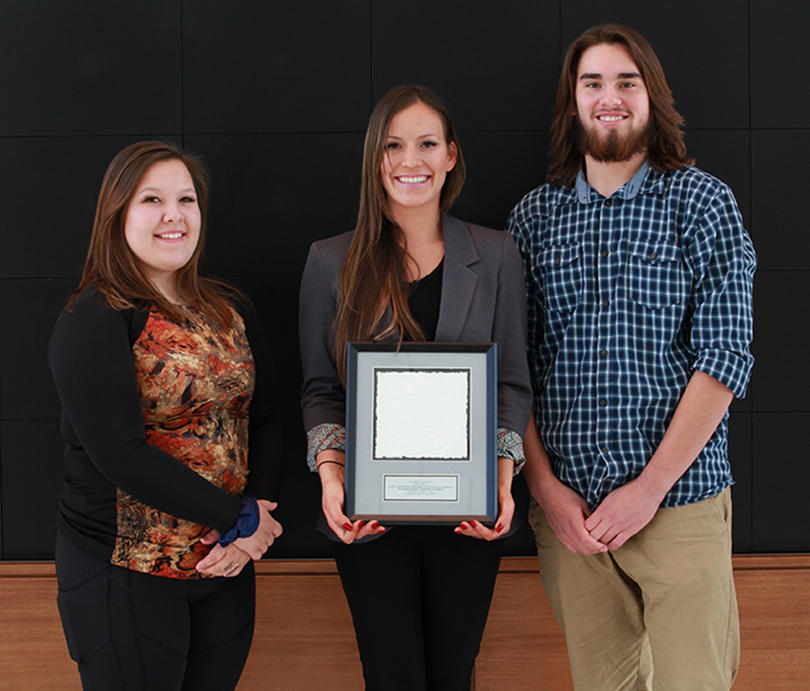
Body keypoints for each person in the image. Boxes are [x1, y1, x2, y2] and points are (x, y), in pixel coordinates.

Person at [507, 24, 755, 691]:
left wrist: (647, 491)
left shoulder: (703, 204)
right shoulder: (532, 220)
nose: (608, 97)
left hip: (679, 504)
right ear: (572, 102)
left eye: (626, 81)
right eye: (592, 83)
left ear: (653, 97)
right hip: (570, 520)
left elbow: (725, 358)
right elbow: (513, 373)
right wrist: (547, 492)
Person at [299, 85, 532, 690]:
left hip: (468, 518)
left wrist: (502, 480)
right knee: (391, 675)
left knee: (454, 675)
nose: (411, 161)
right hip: (370, 518)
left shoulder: (498, 255)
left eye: (427, 144)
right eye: (394, 146)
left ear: (451, 155)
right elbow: (321, 390)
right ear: (375, 159)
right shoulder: (330, 262)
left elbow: (510, 384)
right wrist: (331, 479)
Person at [48, 141, 283, 690]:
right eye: (152, 199)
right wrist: (238, 519)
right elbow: (120, 455)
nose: (174, 215)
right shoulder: (94, 317)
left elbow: (267, 418)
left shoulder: (230, 308)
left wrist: (254, 526)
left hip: (224, 567)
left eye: (187, 199)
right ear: (118, 215)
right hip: (124, 573)